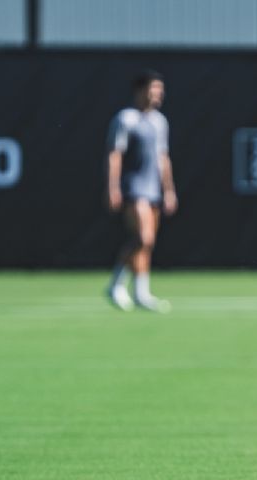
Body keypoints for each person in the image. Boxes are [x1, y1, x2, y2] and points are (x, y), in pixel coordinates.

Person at [104, 69, 177, 313]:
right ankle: (115, 284)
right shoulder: (126, 119)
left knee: (147, 243)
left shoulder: (160, 121)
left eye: (160, 90)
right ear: (140, 90)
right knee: (142, 237)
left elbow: (163, 158)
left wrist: (169, 190)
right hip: (133, 188)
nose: (157, 94)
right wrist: (113, 187)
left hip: (153, 189)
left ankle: (141, 293)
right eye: (153, 89)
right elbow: (115, 155)